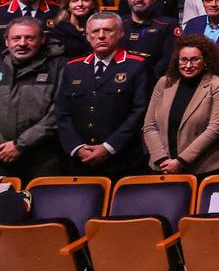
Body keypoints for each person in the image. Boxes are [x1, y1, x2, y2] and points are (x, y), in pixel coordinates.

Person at [0, 16, 66, 180]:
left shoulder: (59, 67)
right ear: (6, 41)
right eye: (16, 38)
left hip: (43, 158)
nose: (22, 43)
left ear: (42, 39)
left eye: (29, 38)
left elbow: (58, 113)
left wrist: (20, 145)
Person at [54, 11, 150, 177]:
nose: (101, 36)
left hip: (123, 159)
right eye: (95, 32)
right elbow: (62, 112)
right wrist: (77, 147)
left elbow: (140, 111)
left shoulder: (136, 66)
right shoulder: (73, 68)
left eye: (108, 30)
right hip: (80, 160)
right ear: (87, 36)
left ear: (121, 33)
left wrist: (109, 147)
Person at [143, 35, 219, 179]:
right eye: (183, 60)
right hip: (162, 167)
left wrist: (180, 161)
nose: (188, 66)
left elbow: (215, 128)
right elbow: (149, 126)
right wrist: (162, 160)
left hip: (202, 168)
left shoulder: (217, 84)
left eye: (194, 60)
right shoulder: (164, 82)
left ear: (206, 60)